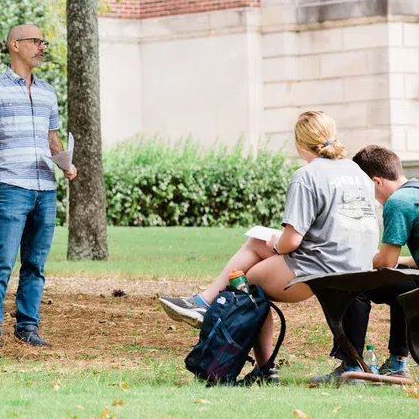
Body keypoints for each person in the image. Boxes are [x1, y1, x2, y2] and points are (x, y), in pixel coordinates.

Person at [159, 111, 380, 384]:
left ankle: (265, 368)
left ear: (300, 142)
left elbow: (292, 242)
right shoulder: (357, 172)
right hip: (359, 265)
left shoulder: (306, 176)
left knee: (246, 288)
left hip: (320, 269)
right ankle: (202, 301)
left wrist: (277, 241)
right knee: (254, 244)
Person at [0, 24, 77, 349]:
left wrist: (66, 163)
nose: (42, 47)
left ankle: (27, 328)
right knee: (3, 259)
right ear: (15, 45)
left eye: (43, 42)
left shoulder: (47, 92)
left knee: (35, 263)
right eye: (36, 41)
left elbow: (52, 139)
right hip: (12, 186)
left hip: (46, 187)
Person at [314, 145, 419, 384]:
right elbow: (410, 261)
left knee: (353, 284)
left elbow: (386, 262)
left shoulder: (399, 202)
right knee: (402, 283)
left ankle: (352, 365)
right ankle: (397, 363)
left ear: (377, 181)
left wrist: (356, 257)